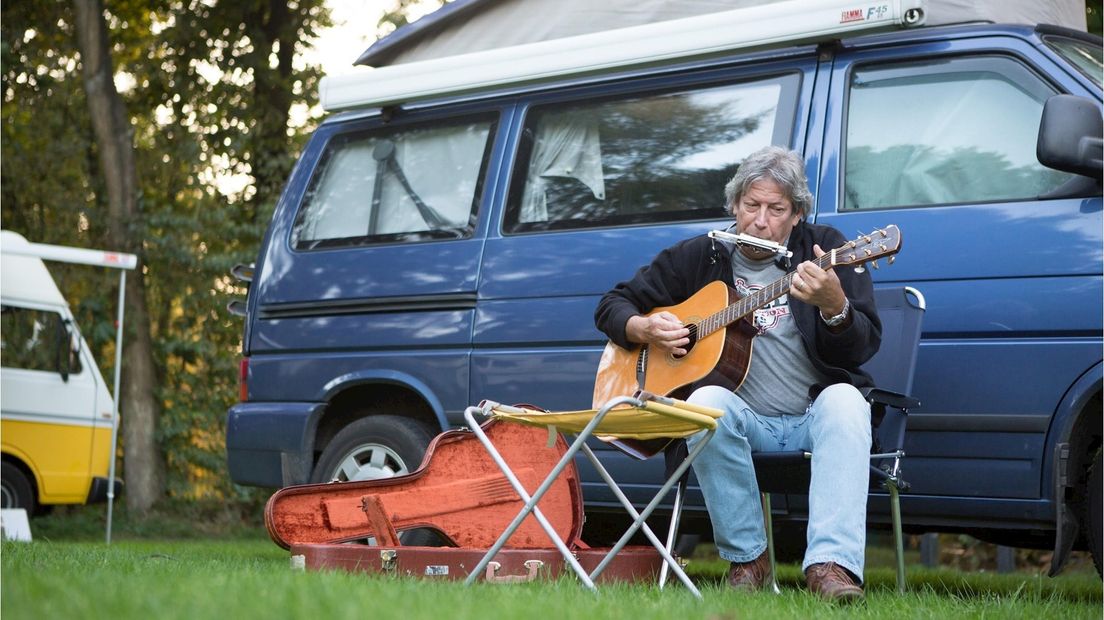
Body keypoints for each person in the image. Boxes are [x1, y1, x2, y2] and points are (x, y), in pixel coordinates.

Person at [594, 145, 880, 602]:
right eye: (751, 206)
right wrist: (644, 327)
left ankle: (832, 568)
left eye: (776, 210)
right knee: (705, 404)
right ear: (734, 205)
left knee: (848, 398)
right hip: (744, 421)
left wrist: (834, 305)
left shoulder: (829, 251)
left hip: (813, 416)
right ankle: (748, 560)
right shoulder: (701, 256)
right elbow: (612, 305)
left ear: (797, 215)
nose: (760, 221)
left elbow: (863, 347)